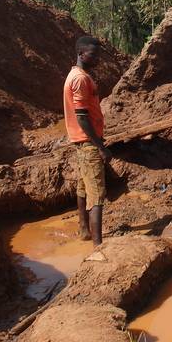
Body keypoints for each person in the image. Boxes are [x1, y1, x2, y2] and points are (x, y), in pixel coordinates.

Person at [63, 35, 111, 247]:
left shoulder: (77, 75)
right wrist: (100, 146)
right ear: (81, 54)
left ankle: (84, 230)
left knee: (83, 189)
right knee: (97, 195)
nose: (97, 59)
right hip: (88, 143)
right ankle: (98, 247)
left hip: (81, 142)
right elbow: (82, 116)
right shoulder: (80, 79)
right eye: (93, 55)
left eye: (98, 54)